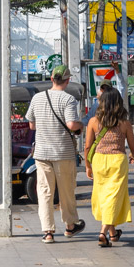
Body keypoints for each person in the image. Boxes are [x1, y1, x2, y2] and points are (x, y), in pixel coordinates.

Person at [26, 64, 85, 243]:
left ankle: (48, 232)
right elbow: (71, 125)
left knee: (44, 191)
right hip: (63, 152)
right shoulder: (68, 100)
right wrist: (81, 125)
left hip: (42, 152)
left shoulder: (37, 98)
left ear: (52, 79)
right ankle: (70, 226)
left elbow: (31, 124)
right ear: (67, 81)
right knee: (66, 190)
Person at [84, 83, 134, 246]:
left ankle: (113, 234)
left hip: (99, 160)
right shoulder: (124, 123)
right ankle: (103, 232)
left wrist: (88, 165)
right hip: (117, 161)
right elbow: (133, 145)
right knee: (113, 196)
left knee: (104, 195)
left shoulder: (93, 121)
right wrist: (133, 154)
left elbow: (87, 146)